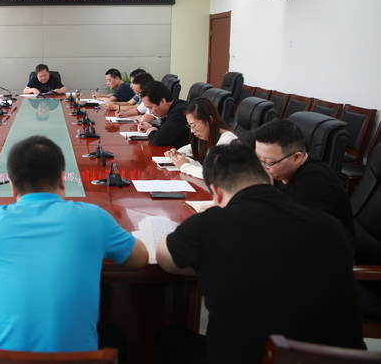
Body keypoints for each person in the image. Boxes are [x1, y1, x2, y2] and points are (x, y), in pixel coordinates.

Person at [155, 142, 365, 363]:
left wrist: (208, 262)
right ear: (270, 180)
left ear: (216, 193)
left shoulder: (208, 224)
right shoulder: (330, 225)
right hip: (339, 360)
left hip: (256, 358)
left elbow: (165, 260)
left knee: (167, 339)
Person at [0, 135, 148, 353]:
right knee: (114, 335)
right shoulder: (93, 217)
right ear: (62, 179)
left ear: (12, 186)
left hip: (6, 359)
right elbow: (140, 258)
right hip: (80, 360)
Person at [253, 118, 355, 244]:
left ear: (296, 157)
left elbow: (295, 236)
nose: (262, 167)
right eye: (258, 159)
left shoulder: (314, 183)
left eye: (268, 162)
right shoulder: (281, 171)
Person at [164, 97, 238, 179]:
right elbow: (191, 148)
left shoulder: (227, 141)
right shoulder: (208, 136)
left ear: (210, 120)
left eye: (194, 126)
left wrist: (185, 166)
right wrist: (177, 153)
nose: (192, 131)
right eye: (190, 126)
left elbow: (213, 174)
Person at [138, 81, 190, 148]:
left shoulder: (180, 112)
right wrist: (150, 127)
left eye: (150, 108)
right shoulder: (171, 108)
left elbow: (159, 140)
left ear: (163, 101)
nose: (150, 112)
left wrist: (150, 131)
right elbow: (165, 129)